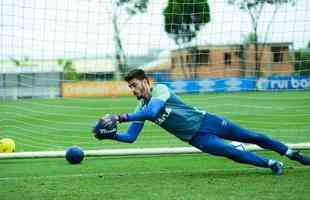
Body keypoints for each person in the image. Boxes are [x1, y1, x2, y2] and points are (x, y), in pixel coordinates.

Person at [92, 69, 310, 175]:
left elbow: (154, 111)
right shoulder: (139, 109)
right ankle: (272, 164)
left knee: (253, 136)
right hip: (197, 137)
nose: (132, 89)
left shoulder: (161, 89)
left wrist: (120, 117)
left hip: (207, 121)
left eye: (134, 84)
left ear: (146, 82)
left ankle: (295, 155)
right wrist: (111, 136)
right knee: (230, 152)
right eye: (129, 86)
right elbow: (131, 138)